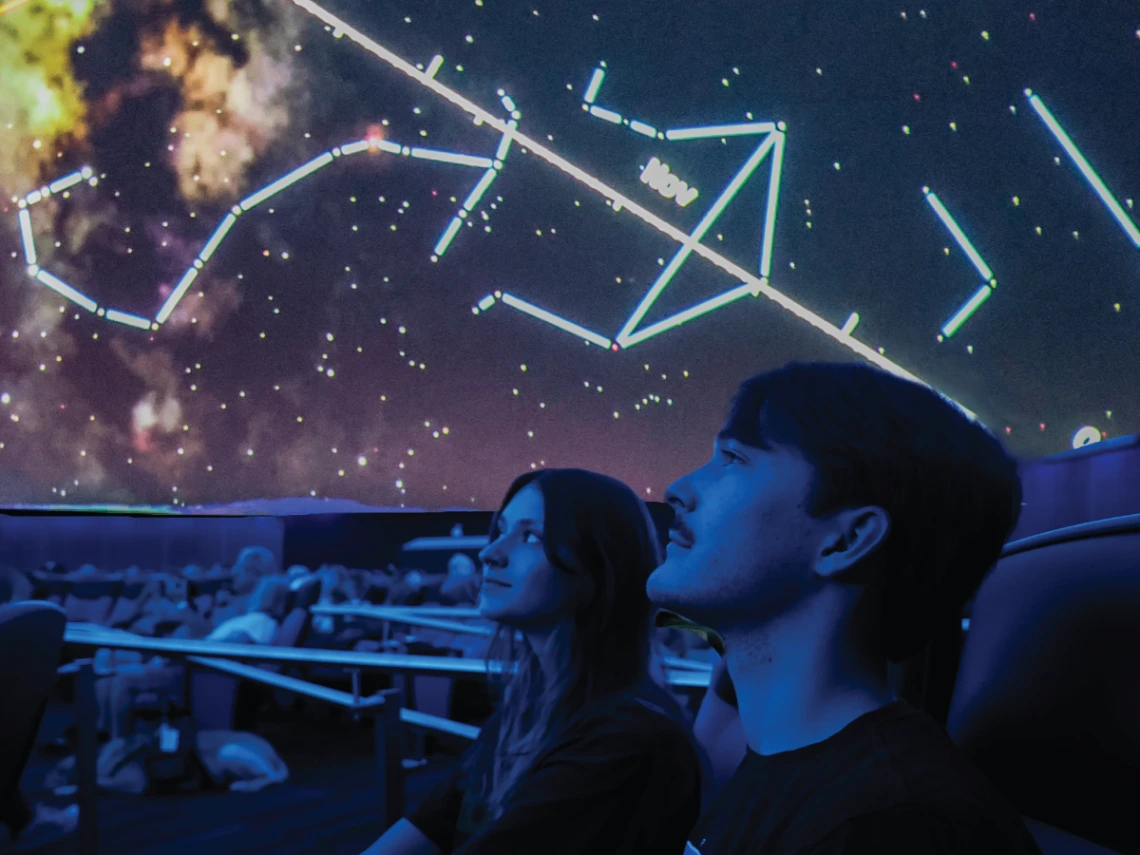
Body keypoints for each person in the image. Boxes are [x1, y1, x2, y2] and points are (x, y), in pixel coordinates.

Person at [646, 361, 1042, 855]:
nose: (677, 490)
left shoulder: (892, 828)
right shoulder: (787, 765)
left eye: (733, 458)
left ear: (847, 539)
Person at [362, 469, 702, 855]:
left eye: (530, 537)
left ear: (601, 566)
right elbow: (433, 822)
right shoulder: (532, 707)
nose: (490, 553)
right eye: (502, 530)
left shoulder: (627, 741)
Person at [97, 576, 290, 737]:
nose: (252, 595)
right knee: (108, 675)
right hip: (189, 661)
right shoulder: (249, 618)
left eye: (258, 591)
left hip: (194, 669)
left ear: (266, 597)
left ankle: (117, 747)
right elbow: (212, 637)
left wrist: (184, 648)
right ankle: (101, 736)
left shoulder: (262, 621)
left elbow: (231, 646)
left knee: (121, 680)